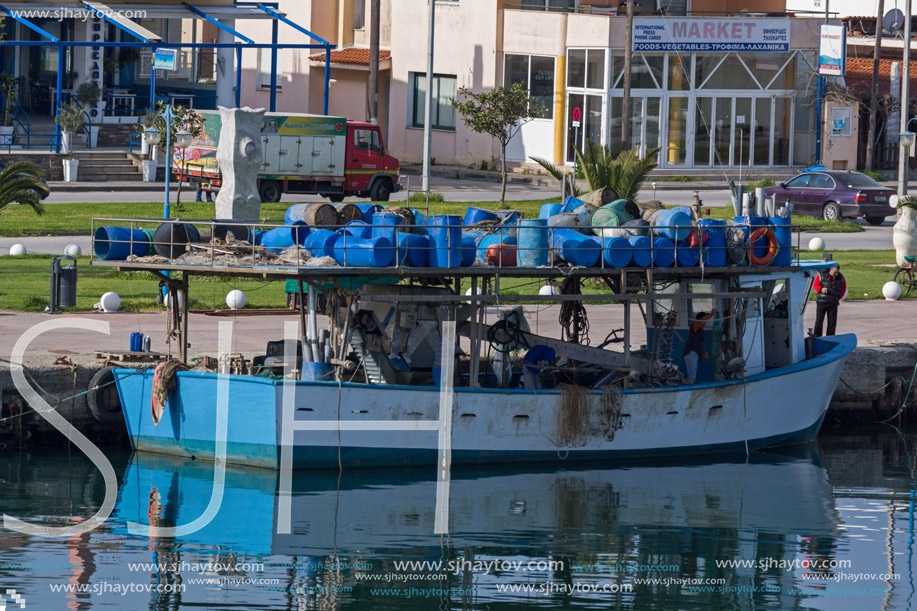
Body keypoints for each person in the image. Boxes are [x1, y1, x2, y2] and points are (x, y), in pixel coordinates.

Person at [813, 263, 846, 337]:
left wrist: (839, 297)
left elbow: (843, 289)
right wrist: (821, 289)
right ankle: (817, 337)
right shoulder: (821, 275)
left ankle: (830, 338)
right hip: (822, 301)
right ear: (830, 271)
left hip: (833, 302)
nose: (836, 274)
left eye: (837, 272)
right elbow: (815, 285)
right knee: (819, 321)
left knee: (832, 323)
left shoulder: (841, 278)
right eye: (835, 273)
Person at [683, 311, 715, 385]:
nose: (705, 322)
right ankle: (689, 387)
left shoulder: (699, 329)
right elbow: (701, 321)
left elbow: (699, 343)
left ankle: (689, 384)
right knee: (692, 376)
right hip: (691, 353)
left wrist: (703, 352)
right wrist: (711, 314)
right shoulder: (695, 325)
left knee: (692, 375)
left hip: (693, 353)